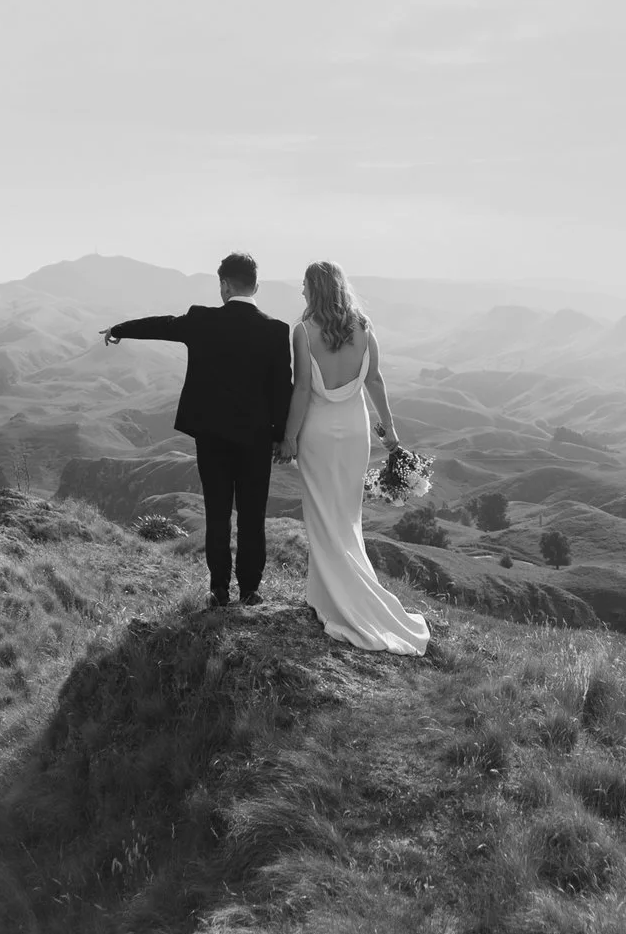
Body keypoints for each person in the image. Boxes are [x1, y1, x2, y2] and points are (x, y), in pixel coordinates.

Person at [103, 252, 292, 607]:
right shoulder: (275, 330)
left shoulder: (201, 320)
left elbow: (161, 326)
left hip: (213, 438)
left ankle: (219, 589)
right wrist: (280, 436)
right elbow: (284, 388)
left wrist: (120, 330)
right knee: (253, 516)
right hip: (255, 440)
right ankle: (250, 590)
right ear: (256, 285)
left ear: (224, 285)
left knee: (217, 512)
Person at [278, 261, 428, 655]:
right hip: (356, 433)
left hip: (318, 434)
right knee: (346, 515)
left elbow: (301, 390)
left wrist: (289, 438)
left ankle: (334, 601)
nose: (303, 293)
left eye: (305, 286)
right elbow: (375, 379)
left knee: (323, 515)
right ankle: (328, 595)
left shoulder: (303, 332)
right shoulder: (363, 326)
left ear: (314, 289)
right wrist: (390, 431)